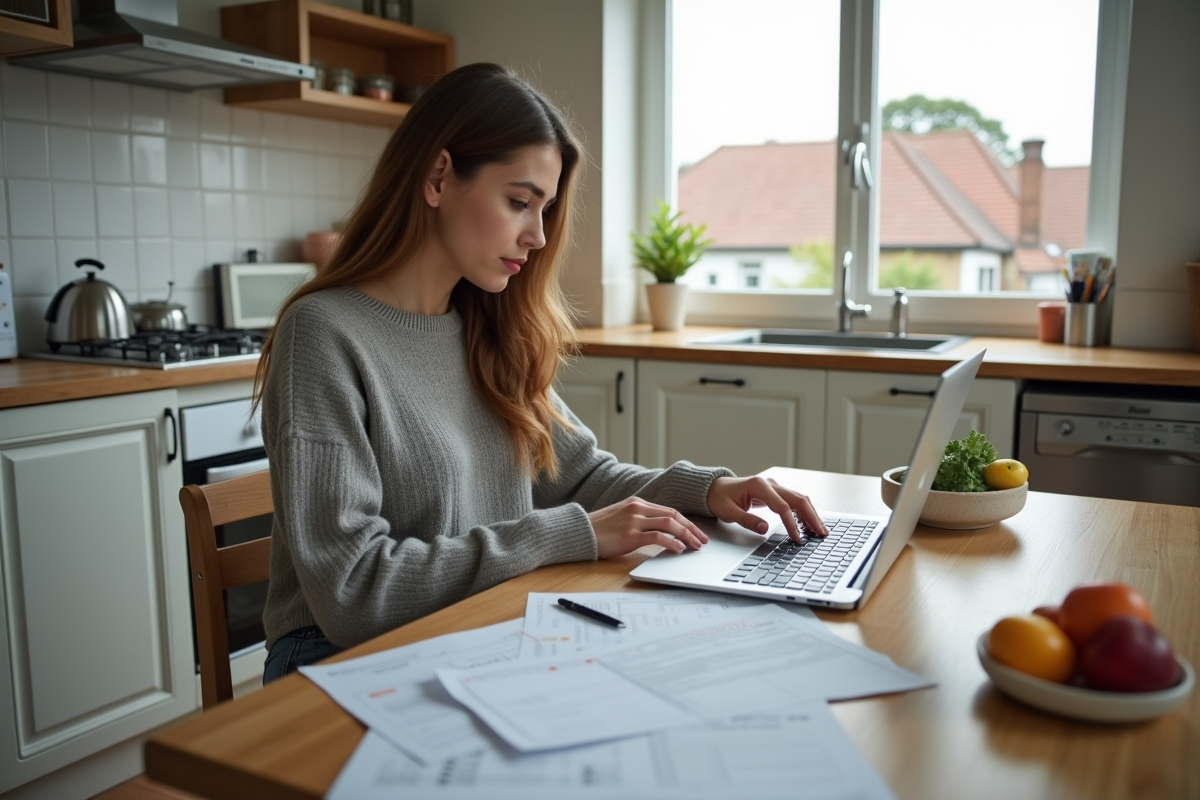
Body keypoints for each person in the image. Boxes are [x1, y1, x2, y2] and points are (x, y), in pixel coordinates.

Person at [254, 63, 827, 683]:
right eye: (519, 202)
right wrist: (566, 535)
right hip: (338, 659)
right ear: (438, 176)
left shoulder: (486, 326)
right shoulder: (325, 333)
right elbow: (352, 591)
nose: (538, 235)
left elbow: (578, 476)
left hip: (478, 626)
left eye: (546, 209)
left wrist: (707, 491)